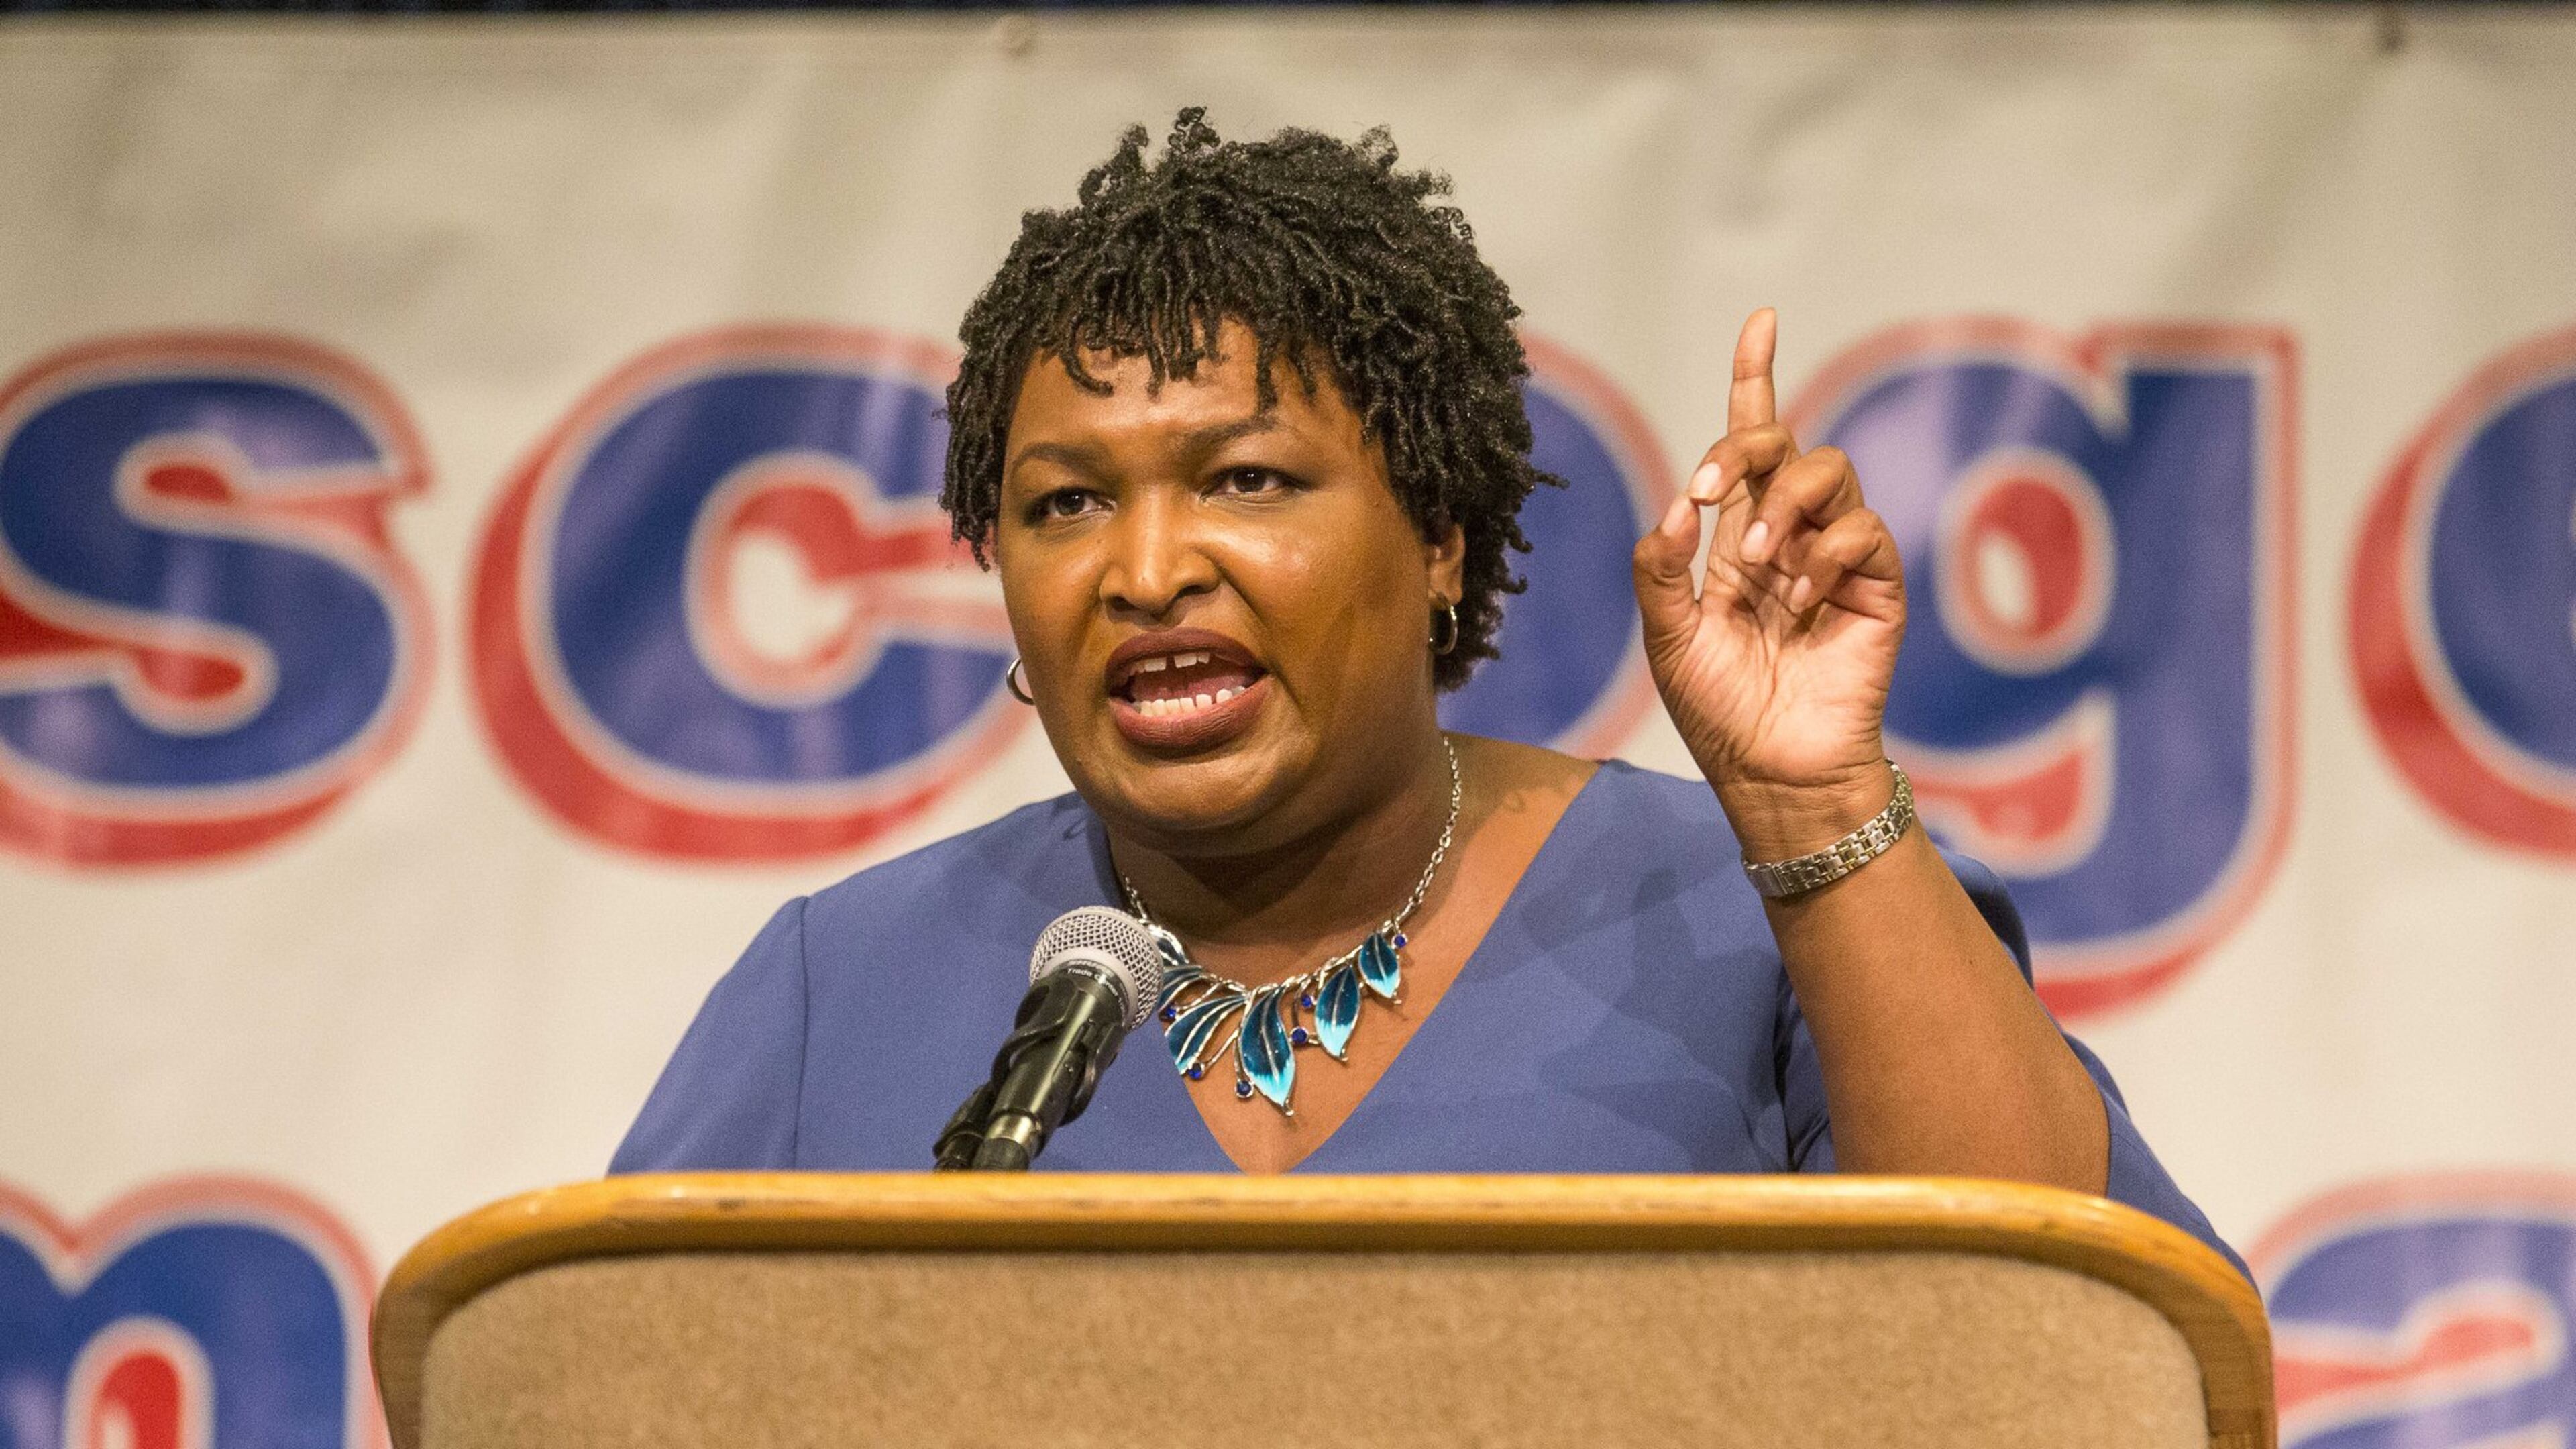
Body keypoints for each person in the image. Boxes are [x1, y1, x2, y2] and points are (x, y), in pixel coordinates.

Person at [612, 110, 2238, 1271]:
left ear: (1442, 541)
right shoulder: (848, 983)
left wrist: (1814, 803)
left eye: (1247, 480)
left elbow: (2072, 1352)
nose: (1147, 567)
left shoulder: (1745, 923)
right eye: (1064, 503)